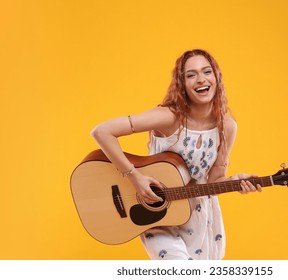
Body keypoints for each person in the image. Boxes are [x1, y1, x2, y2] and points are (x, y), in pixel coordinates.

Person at [91, 49, 262, 260]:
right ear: (182, 84)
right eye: (191, 75)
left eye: (206, 72)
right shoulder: (168, 117)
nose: (201, 79)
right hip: (158, 217)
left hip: (201, 222)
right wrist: (135, 177)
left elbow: (214, 181)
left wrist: (236, 181)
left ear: (216, 77)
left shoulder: (227, 126)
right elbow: (102, 131)